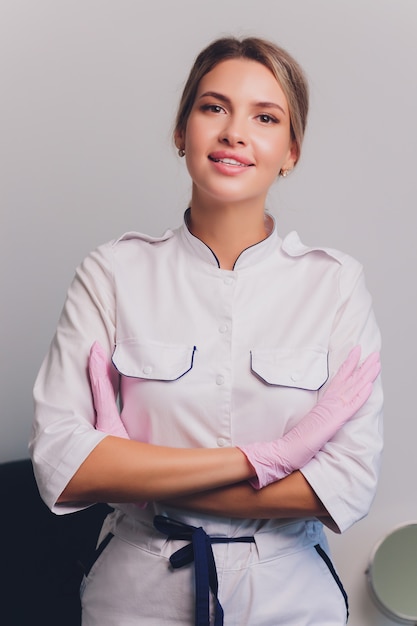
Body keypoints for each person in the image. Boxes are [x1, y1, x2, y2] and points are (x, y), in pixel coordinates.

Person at [30, 36, 383, 626]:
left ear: (290, 151)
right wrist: (273, 458)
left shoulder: (336, 284)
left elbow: (344, 485)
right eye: (213, 107)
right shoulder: (113, 272)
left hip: (289, 594)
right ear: (181, 131)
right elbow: (63, 468)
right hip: (136, 592)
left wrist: (131, 474)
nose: (234, 132)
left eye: (265, 117)